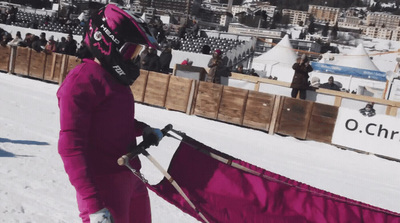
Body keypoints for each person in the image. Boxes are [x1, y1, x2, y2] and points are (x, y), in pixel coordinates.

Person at [57, 4, 162, 223]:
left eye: (137, 53)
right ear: (108, 42)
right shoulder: (82, 81)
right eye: (131, 51)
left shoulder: (114, 80)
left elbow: (113, 119)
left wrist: (143, 130)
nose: (135, 59)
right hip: (104, 185)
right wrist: (94, 205)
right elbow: (70, 147)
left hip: (131, 176)